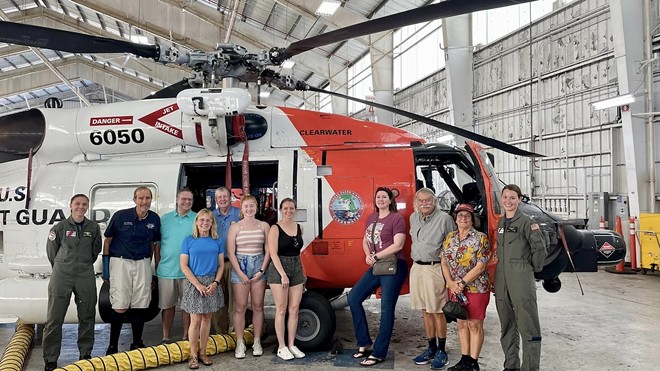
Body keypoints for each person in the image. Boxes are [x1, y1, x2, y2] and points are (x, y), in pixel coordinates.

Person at [348, 187, 408, 367]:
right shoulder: (371, 218)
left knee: (386, 309)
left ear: (390, 200)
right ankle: (364, 343)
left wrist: (375, 257)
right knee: (353, 297)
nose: (381, 199)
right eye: (378, 197)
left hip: (394, 265)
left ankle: (379, 353)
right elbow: (365, 240)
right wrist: (368, 254)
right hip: (377, 265)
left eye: (384, 197)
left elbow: (398, 245)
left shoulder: (396, 218)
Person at [42, 194, 102, 371]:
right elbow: (52, 252)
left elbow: (95, 251)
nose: (81, 207)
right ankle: (51, 359)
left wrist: (82, 265)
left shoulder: (93, 227)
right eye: (77, 204)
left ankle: (85, 354)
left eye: (84, 204)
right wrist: (64, 266)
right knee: (54, 318)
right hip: (62, 274)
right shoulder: (59, 227)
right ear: (70, 206)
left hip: (85, 274)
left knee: (87, 315)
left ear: (88, 206)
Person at [102, 186, 161, 355]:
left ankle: (137, 342)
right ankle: (112, 346)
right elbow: (108, 240)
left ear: (151, 199)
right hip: (120, 262)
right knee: (120, 303)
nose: (144, 201)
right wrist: (106, 267)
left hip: (143, 262)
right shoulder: (121, 216)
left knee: (140, 303)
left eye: (147, 198)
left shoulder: (154, 219)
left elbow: (154, 245)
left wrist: (153, 270)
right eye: (141, 198)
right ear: (134, 200)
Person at [495, 184, 547, 371]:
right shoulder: (501, 223)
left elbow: (539, 248)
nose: (508, 201)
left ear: (519, 200)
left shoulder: (527, 222)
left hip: (521, 275)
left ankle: (530, 367)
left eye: (512, 198)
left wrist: (530, 269)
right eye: (505, 197)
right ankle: (511, 365)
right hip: (502, 277)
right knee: (507, 323)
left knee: (528, 324)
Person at [441, 204, 492, 371]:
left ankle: (473, 362)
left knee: (475, 325)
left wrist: (461, 283)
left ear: (472, 219)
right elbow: (444, 260)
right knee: (461, 324)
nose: (463, 218)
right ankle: (464, 359)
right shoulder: (450, 237)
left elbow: (481, 266)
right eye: (460, 215)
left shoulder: (480, 238)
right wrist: (450, 282)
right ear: (455, 218)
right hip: (455, 288)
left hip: (476, 289)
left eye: (467, 216)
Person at [409, 188, 455, 369]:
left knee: (437, 311)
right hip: (417, 268)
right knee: (425, 310)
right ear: (416, 203)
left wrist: (450, 276)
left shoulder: (445, 219)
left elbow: (452, 246)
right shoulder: (414, 218)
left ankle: (442, 351)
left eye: (428, 200)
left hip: (435, 268)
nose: (424, 203)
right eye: (420, 201)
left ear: (434, 201)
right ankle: (431, 348)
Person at [226, 194, 271, 358]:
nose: (249, 209)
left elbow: (268, 250)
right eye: (246, 206)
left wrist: (261, 271)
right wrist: (240, 273)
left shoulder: (264, 226)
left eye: (252, 206)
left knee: (258, 306)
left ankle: (257, 341)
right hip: (241, 266)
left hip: (259, 265)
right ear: (242, 209)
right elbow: (231, 252)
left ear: (256, 208)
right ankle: (240, 342)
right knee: (240, 307)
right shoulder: (235, 227)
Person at [180, 209, 225, 369]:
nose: (205, 223)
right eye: (202, 220)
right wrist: (197, 284)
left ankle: (203, 352)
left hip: (211, 283)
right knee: (195, 320)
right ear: (197, 222)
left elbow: (221, 266)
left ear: (212, 223)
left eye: (208, 220)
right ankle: (192, 355)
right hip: (194, 283)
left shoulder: (217, 241)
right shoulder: (188, 240)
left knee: (207, 319)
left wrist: (215, 283)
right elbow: (184, 266)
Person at [266, 198, 306, 360]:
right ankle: (281, 346)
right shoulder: (275, 229)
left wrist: (302, 272)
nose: (288, 211)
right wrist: (282, 274)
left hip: (296, 267)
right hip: (279, 268)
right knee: (281, 308)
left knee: (294, 308)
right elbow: (273, 253)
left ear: (295, 210)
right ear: (280, 210)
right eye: (285, 208)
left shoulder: (299, 228)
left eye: (291, 208)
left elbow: (298, 252)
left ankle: (291, 344)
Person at [155, 188, 195, 343]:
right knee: (167, 306)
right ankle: (166, 336)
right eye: (183, 199)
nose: (186, 202)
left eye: (189, 200)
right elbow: (157, 245)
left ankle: (186, 336)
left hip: (189, 272)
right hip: (167, 270)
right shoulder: (164, 219)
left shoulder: (197, 218)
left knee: (187, 306)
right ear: (177, 200)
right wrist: (158, 265)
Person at [211, 187, 240, 335]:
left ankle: (234, 333)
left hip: (233, 262)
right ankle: (220, 334)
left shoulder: (238, 214)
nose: (222, 199)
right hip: (215, 264)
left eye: (225, 196)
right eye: (219, 197)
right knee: (217, 300)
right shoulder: (211, 216)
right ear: (216, 200)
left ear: (230, 198)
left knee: (235, 300)